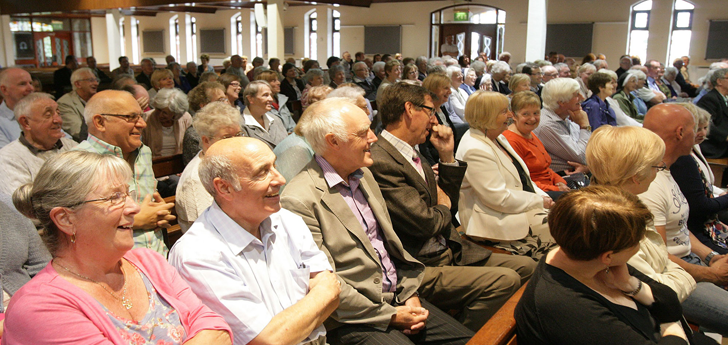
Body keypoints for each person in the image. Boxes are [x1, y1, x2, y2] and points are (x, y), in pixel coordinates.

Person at [281, 98, 473, 345]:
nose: (374, 137)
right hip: (352, 317)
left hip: (396, 296)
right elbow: (325, 285)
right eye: (363, 133)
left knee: (472, 340)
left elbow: (390, 249)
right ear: (333, 141)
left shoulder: (364, 175)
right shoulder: (299, 199)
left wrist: (409, 294)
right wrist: (392, 315)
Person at [3, 151, 232, 344]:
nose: (133, 208)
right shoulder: (39, 306)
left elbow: (216, 325)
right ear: (65, 219)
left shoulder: (148, 263)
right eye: (114, 198)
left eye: (127, 194)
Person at [370, 82, 535, 331]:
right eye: (429, 111)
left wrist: (447, 157)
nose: (434, 120)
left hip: (449, 248)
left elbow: (448, 205)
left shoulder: (411, 151)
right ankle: (467, 336)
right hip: (421, 264)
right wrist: (443, 206)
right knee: (505, 281)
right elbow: (426, 223)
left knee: (528, 267)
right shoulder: (382, 159)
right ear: (409, 110)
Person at [171, 137, 341, 345]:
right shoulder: (197, 254)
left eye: (274, 166)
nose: (280, 179)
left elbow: (335, 297)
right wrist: (323, 292)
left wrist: (323, 294)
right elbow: (266, 340)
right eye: (262, 172)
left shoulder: (287, 220)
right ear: (224, 188)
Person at [515, 185, 696, 345]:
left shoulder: (589, 256)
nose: (639, 246)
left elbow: (670, 304)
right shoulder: (567, 307)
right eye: (638, 242)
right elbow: (671, 315)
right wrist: (673, 328)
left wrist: (631, 285)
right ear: (608, 256)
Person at [640, 104, 728, 336]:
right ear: (680, 133)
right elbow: (659, 260)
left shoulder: (667, 170)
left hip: (692, 265)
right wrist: (711, 274)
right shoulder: (649, 183)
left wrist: (711, 257)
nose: (699, 135)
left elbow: (679, 227)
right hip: (675, 276)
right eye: (694, 129)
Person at [456, 90, 555, 259]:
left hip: (513, 210)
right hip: (494, 223)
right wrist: (539, 201)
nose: (510, 115)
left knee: (571, 220)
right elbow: (498, 198)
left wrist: (543, 197)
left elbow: (525, 181)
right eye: (504, 111)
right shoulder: (475, 149)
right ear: (487, 115)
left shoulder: (497, 137)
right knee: (565, 232)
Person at [75, 90, 175, 255]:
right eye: (131, 117)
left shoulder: (143, 152)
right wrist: (135, 221)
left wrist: (159, 212)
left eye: (141, 116)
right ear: (100, 122)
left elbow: (147, 205)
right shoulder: (78, 161)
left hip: (157, 259)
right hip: (113, 267)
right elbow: (74, 224)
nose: (142, 124)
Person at [671, 103, 728, 255]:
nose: (701, 133)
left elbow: (706, 185)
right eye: (696, 128)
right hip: (696, 228)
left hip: (705, 221)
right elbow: (699, 206)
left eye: (704, 128)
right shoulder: (682, 159)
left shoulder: (693, 149)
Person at [176, 103, 243, 233]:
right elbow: (205, 231)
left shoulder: (224, 162)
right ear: (206, 141)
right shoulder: (195, 180)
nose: (236, 142)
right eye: (227, 137)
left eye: (239, 134)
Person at [0, 93, 78, 197]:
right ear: (26, 123)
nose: (58, 120)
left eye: (58, 113)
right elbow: (23, 204)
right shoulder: (9, 157)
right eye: (48, 115)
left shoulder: (71, 146)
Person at [503, 91, 570, 198]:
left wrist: (560, 182)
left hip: (551, 187)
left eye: (536, 113)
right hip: (536, 194)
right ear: (514, 115)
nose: (533, 118)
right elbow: (522, 181)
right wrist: (556, 189)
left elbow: (546, 169)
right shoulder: (511, 140)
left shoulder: (531, 133)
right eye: (526, 114)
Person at [532, 78, 591, 177]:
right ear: (561, 102)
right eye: (576, 95)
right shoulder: (547, 125)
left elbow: (591, 152)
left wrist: (588, 167)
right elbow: (582, 157)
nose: (582, 97)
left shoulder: (567, 117)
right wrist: (585, 126)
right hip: (562, 180)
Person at [182, 81, 235, 166]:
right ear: (204, 105)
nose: (226, 103)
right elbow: (207, 165)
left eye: (225, 99)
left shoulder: (229, 126)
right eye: (221, 100)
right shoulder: (194, 134)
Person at [141, 88, 192, 158]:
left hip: (179, 161)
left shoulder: (185, 118)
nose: (160, 115)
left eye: (165, 113)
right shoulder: (146, 118)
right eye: (158, 110)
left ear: (176, 112)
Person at [241, 80, 287, 149]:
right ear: (251, 99)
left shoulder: (276, 119)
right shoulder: (240, 125)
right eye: (265, 95)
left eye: (271, 95)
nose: (271, 99)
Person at [57, 67, 99, 142]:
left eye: (96, 80)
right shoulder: (64, 103)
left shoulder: (99, 99)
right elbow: (78, 131)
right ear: (78, 84)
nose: (96, 83)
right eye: (91, 80)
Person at [697, 68, 728, 158]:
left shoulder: (724, 97)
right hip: (714, 146)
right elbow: (707, 125)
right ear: (719, 81)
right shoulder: (710, 98)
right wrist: (726, 136)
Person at [0, 68, 34, 148]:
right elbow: (7, 156)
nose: (31, 88)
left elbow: (66, 141)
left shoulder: (41, 112)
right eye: (22, 84)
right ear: (5, 90)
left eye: (30, 83)